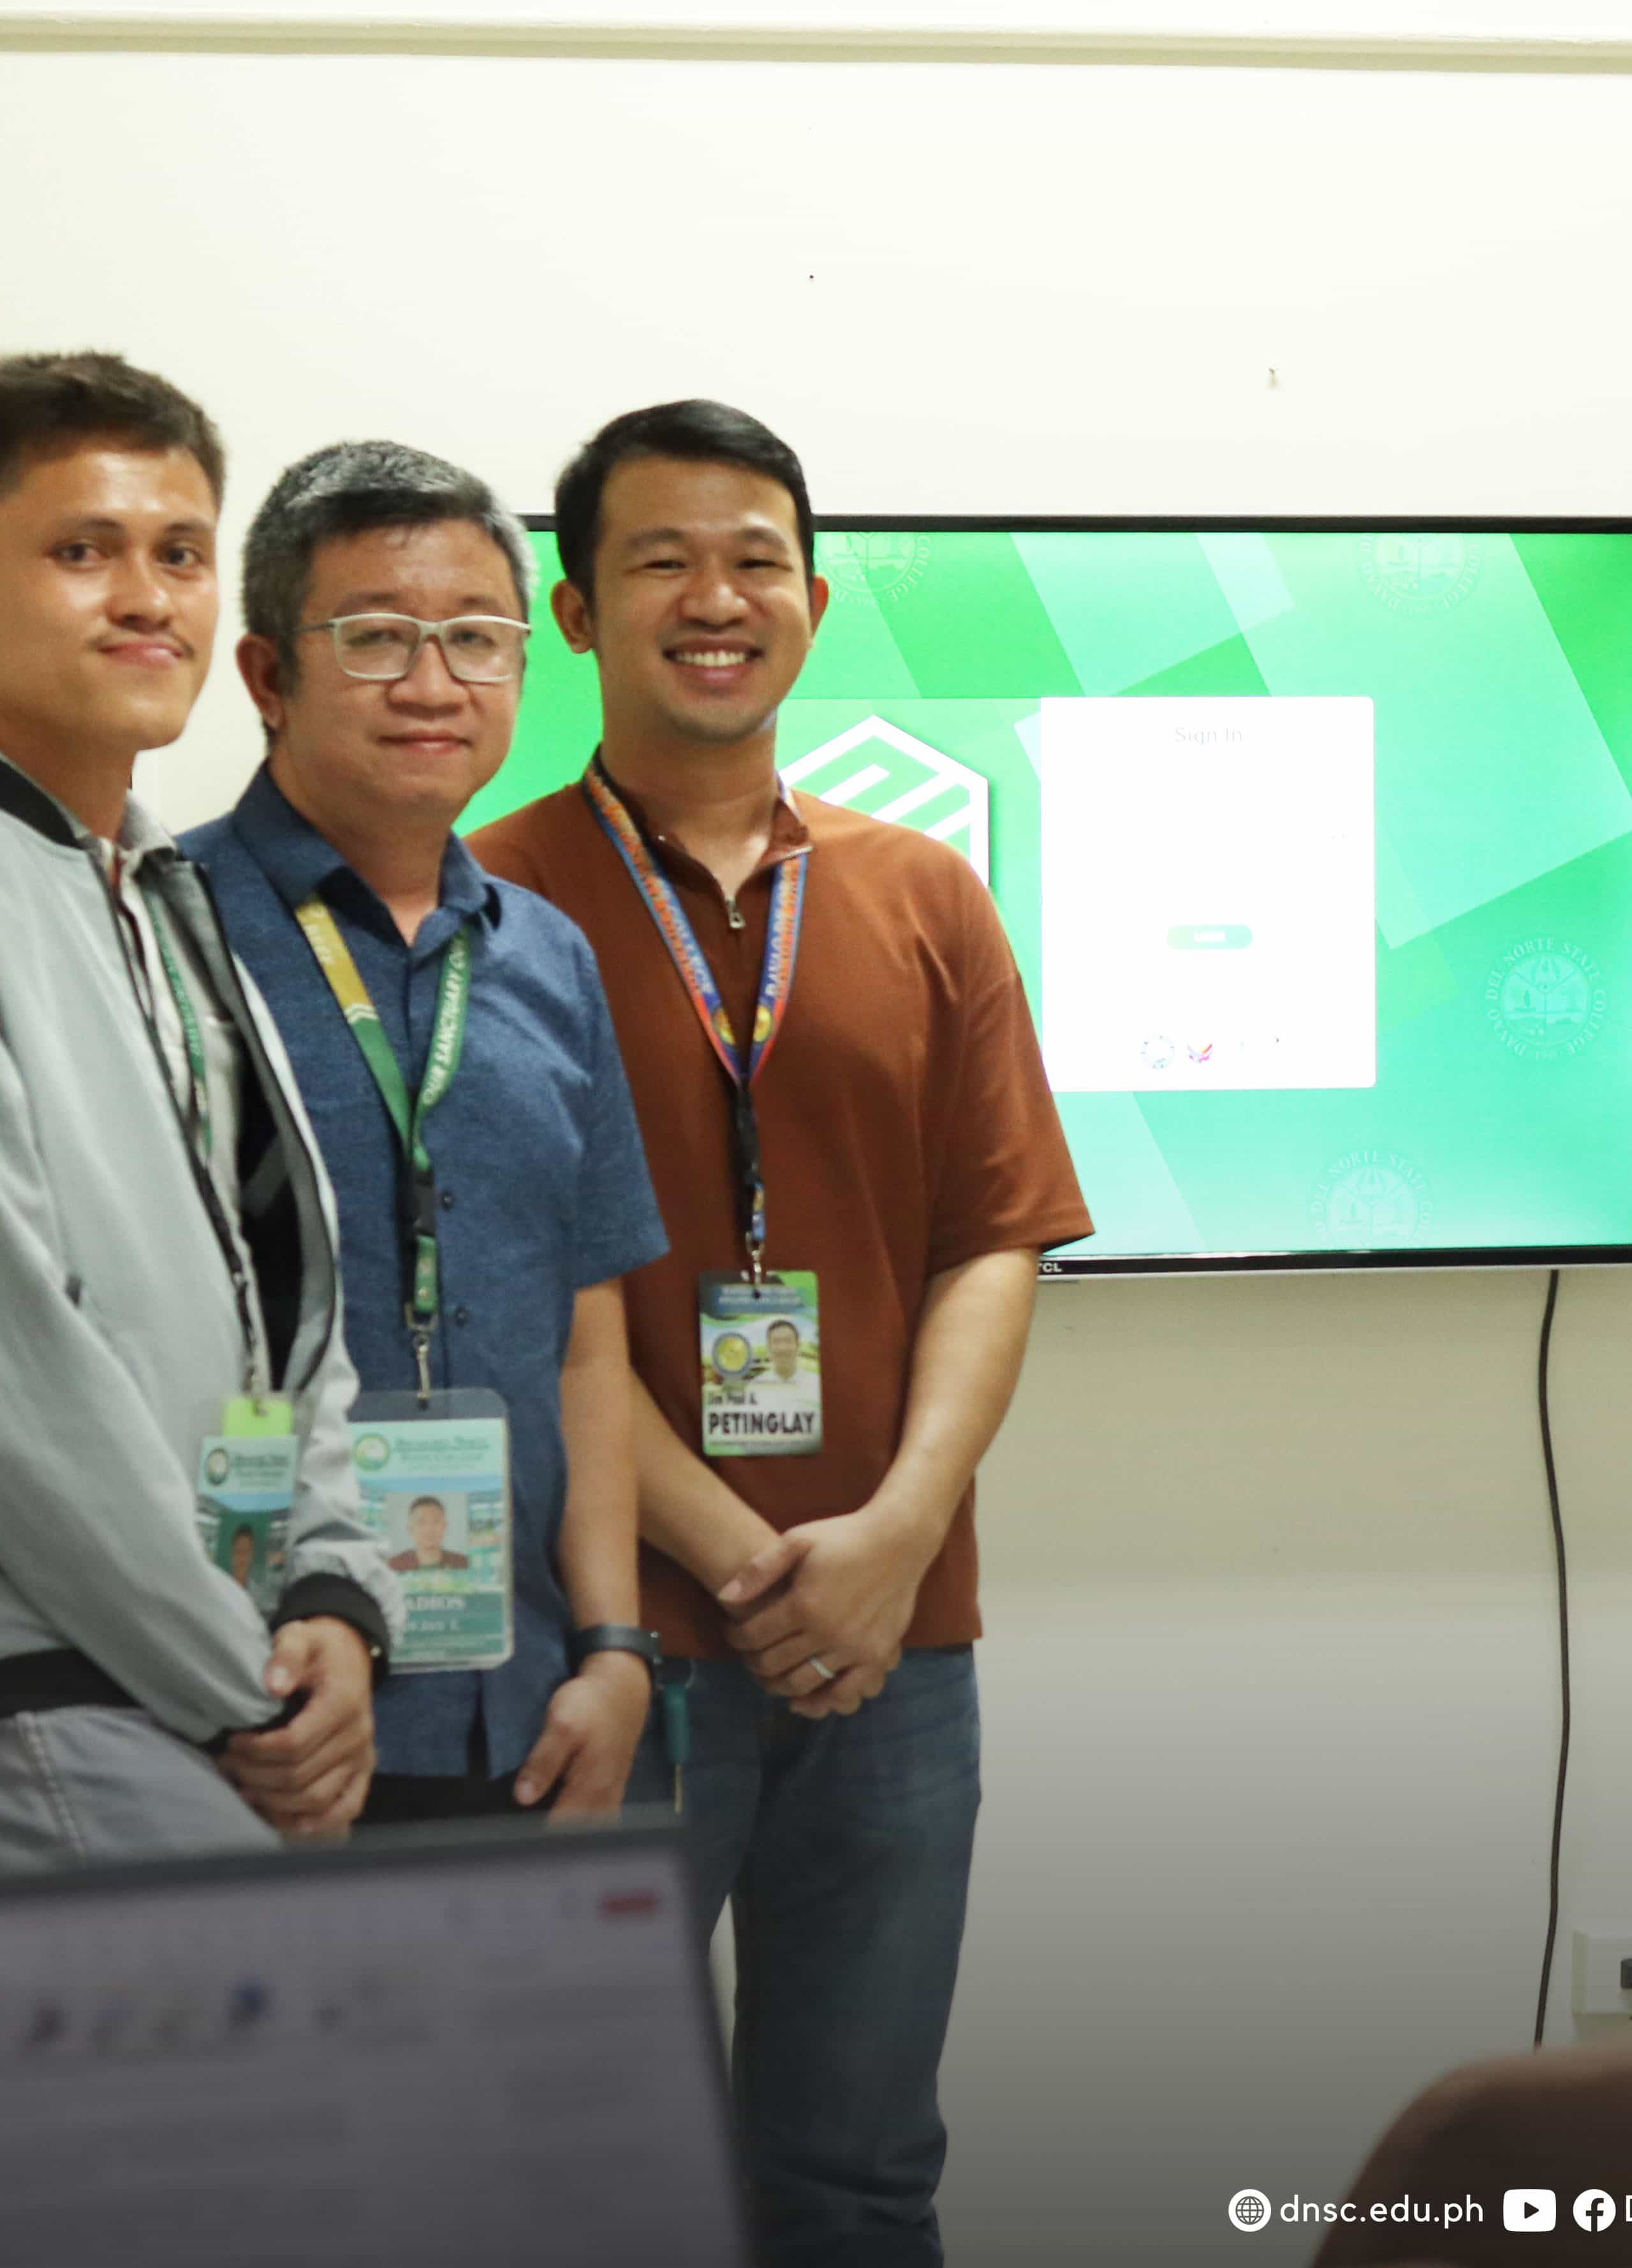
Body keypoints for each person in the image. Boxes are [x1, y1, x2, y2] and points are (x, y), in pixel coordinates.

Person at [471, 400, 1090, 2265]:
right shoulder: (484, 901)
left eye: (753, 560)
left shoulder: (923, 892)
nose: (713, 597)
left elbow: (996, 1238)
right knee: (592, 2184)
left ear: (814, 603)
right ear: (577, 611)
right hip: (607, 1647)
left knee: (862, 2173)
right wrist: (754, 1564)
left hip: (901, 1643)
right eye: (660, 559)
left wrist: (892, 1538)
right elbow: (511, 1296)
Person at [181, 439, 670, 1829]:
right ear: (269, 673)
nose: (435, 683)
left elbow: (586, 1329)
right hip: (256, 1701)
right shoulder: (160, 929)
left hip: (523, 1709)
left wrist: (615, 1643)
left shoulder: (550, 959)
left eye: (476, 638)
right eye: (379, 638)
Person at [0, 351, 398, 1867]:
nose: (148, 596)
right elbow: (3, 1381)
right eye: (82, 551)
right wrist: (241, 1689)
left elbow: (294, 1305)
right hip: (44, 1697)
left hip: (229, 1676)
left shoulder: (162, 886)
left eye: (181, 553)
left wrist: (336, 1602)